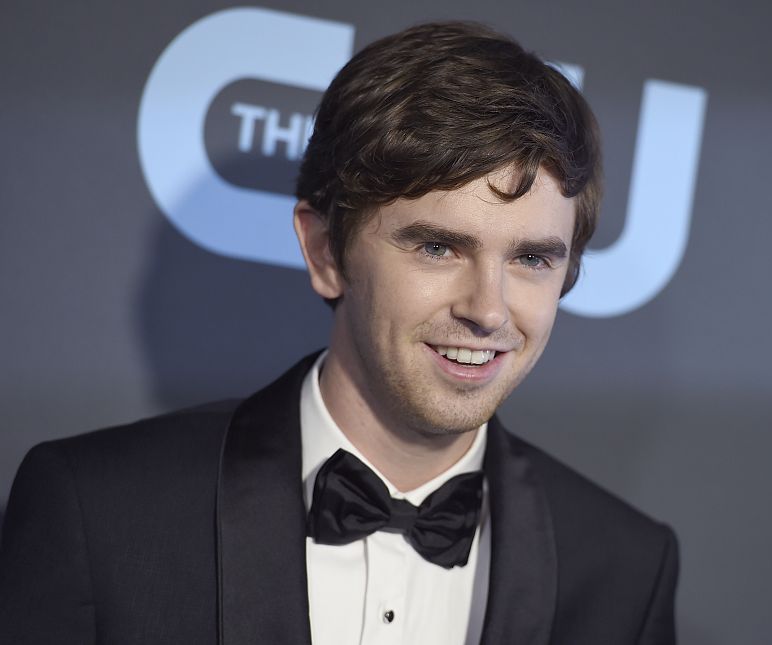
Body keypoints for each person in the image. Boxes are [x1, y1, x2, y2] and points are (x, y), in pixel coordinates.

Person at [0, 21, 677, 645]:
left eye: (531, 259)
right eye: (439, 247)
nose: (490, 310)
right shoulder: (98, 512)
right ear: (326, 250)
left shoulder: (625, 570)